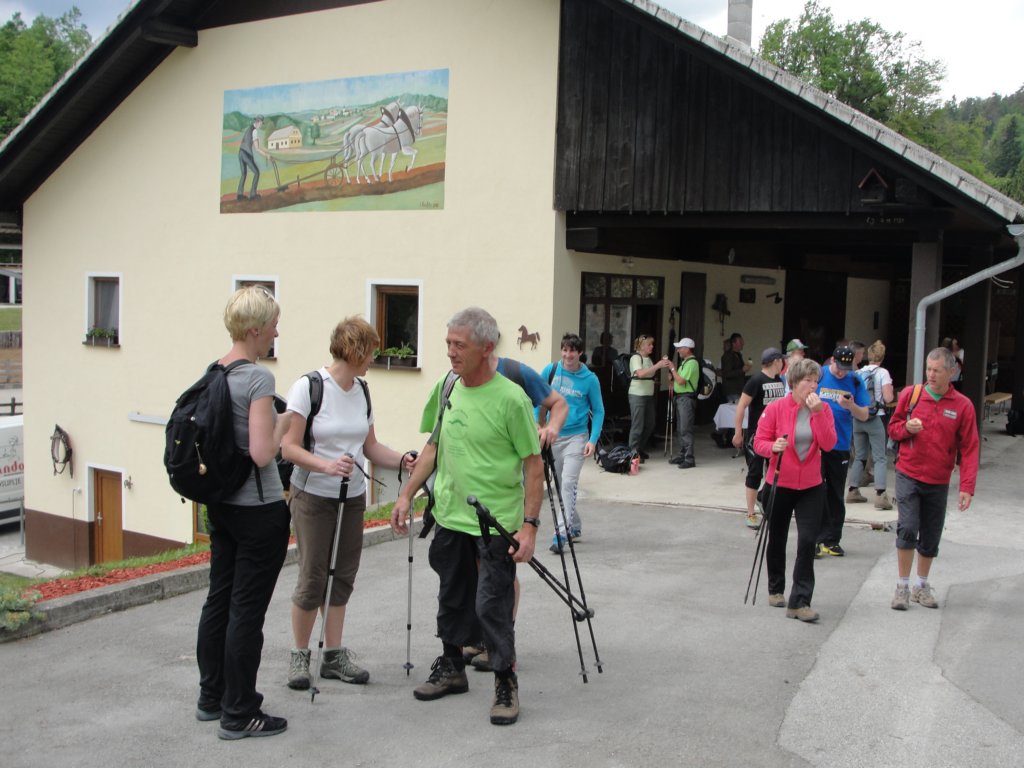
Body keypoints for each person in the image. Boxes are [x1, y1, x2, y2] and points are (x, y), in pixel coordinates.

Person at [391, 307, 542, 726]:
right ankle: (452, 667)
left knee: (491, 603)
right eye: (448, 344)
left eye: (460, 345)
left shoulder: (511, 399)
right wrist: (405, 494)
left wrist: (529, 527)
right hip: (450, 515)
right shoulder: (448, 386)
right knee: (451, 597)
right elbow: (433, 447)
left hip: (495, 522)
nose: (451, 352)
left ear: (487, 347)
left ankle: (505, 681)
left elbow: (533, 467)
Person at [281, 316, 415, 691]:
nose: (374, 358)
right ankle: (300, 655)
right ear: (354, 350)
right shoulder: (309, 387)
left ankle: (333, 656)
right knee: (313, 575)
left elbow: (370, 447)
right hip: (312, 496)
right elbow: (288, 447)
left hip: (351, 496)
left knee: (342, 575)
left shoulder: (362, 391)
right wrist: (325, 465)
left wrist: (403, 459)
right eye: (370, 351)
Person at [195, 285, 292, 740]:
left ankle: (212, 697)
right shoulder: (258, 379)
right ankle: (240, 712)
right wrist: (284, 424)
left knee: (219, 599)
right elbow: (261, 452)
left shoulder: (214, 371)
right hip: (258, 510)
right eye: (273, 324)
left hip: (222, 506)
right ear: (255, 330)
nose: (276, 332)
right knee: (246, 611)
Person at [888, 347, 979, 611]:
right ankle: (902, 587)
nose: (931, 374)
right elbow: (893, 429)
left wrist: (967, 487)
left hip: (939, 479)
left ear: (952, 372)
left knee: (931, 533)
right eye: (928, 369)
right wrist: (906, 428)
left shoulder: (963, 405)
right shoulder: (911, 395)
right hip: (908, 472)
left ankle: (921, 585)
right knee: (907, 527)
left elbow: (970, 448)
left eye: (937, 370)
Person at [753, 358, 836, 622]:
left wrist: (819, 413)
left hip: (811, 485)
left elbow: (829, 444)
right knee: (777, 537)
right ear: (794, 383)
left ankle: (800, 602)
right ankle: (776, 588)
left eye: (815, 381)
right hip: (780, 482)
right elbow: (758, 442)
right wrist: (772, 447)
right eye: (807, 381)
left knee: (808, 540)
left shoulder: (823, 409)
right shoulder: (776, 408)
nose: (812, 386)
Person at [539, 333, 605, 551]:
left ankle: (561, 533)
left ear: (580, 353)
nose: (568, 355)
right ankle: (574, 524)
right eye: (565, 350)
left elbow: (599, 410)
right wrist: (538, 425)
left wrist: (593, 440)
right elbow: (537, 398)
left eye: (572, 351)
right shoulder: (551, 371)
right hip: (554, 436)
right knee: (560, 486)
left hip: (577, 438)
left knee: (568, 484)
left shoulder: (590, 379)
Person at [815, 346, 871, 558]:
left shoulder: (855, 380)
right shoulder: (818, 375)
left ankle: (832, 540)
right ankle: (814, 539)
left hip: (840, 445)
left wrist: (851, 406)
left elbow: (864, 414)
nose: (841, 372)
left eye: (845, 368)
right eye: (838, 367)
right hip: (816, 444)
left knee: (836, 493)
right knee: (815, 491)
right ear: (832, 360)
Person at [733, 348, 786, 528]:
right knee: (755, 472)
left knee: (776, 471)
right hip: (757, 435)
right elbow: (741, 406)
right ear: (776, 361)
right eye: (781, 360)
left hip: (776, 436)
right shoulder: (756, 381)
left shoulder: (779, 381)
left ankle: (763, 497)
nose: (783, 363)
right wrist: (738, 432)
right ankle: (750, 513)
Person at [847, 340, 895, 510]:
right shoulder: (883, 373)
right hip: (876, 418)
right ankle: (880, 495)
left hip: (858, 417)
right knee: (880, 457)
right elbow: (888, 398)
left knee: (860, 456)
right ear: (882, 357)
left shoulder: (858, 372)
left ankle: (853, 490)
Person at [627, 335, 673, 460]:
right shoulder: (636, 357)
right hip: (637, 394)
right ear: (641, 346)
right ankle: (632, 454)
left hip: (648, 394)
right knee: (638, 425)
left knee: (650, 423)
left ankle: (639, 449)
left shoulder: (648, 359)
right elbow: (640, 374)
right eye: (649, 344)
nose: (652, 346)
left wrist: (654, 381)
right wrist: (657, 366)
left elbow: (647, 374)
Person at [667, 337, 699, 468]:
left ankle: (689, 458)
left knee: (685, 429)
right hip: (681, 398)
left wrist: (672, 369)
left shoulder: (692, 363)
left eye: (680, 348)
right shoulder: (685, 362)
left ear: (687, 349)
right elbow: (678, 380)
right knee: (680, 429)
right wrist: (672, 376)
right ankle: (683, 455)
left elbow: (681, 381)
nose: (678, 350)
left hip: (686, 398)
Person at [237, 115, 266, 201]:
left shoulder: (249, 128)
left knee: (244, 174)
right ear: (258, 122)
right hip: (246, 154)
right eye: (261, 123)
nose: (261, 125)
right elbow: (257, 148)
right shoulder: (254, 131)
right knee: (256, 172)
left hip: (241, 152)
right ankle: (253, 194)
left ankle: (239, 195)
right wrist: (267, 155)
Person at [720, 332, 751, 403]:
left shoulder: (738, 355)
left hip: (739, 389)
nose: (743, 343)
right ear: (733, 344)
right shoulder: (727, 356)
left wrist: (744, 369)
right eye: (740, 341)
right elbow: (727, 374)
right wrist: (742, 370)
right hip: (732, 391)